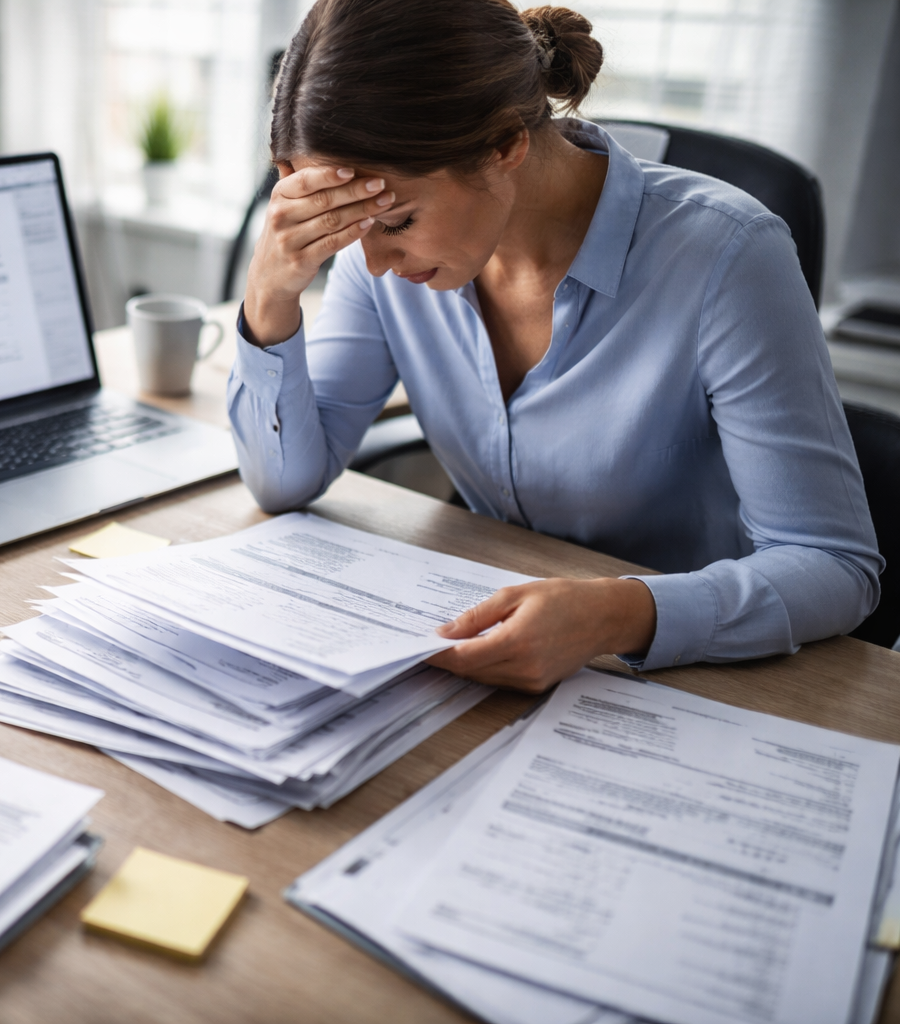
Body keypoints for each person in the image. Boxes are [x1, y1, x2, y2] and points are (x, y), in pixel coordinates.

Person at [228, 0, 881, 692]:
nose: (375, 262)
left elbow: (834, 566)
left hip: (704, 678)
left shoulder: (729, 255)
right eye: (344, 226)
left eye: (396, 222)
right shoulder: (382, 263)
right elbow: (283, 484)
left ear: (504, 145)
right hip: (495, 657)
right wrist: (270, 296)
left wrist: (612, 615)